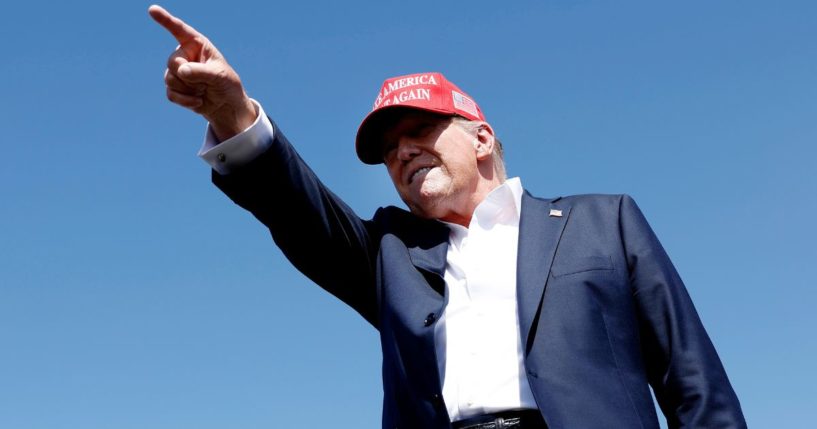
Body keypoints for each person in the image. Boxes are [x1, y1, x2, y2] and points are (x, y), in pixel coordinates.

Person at [148, 5, 747, 429]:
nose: (401, 151)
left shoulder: (602, 223)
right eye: (388, 151)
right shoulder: (389, 254)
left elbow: (694, 384)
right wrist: (235, 115)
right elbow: (296, 209)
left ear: (481, 138)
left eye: (419, 131)